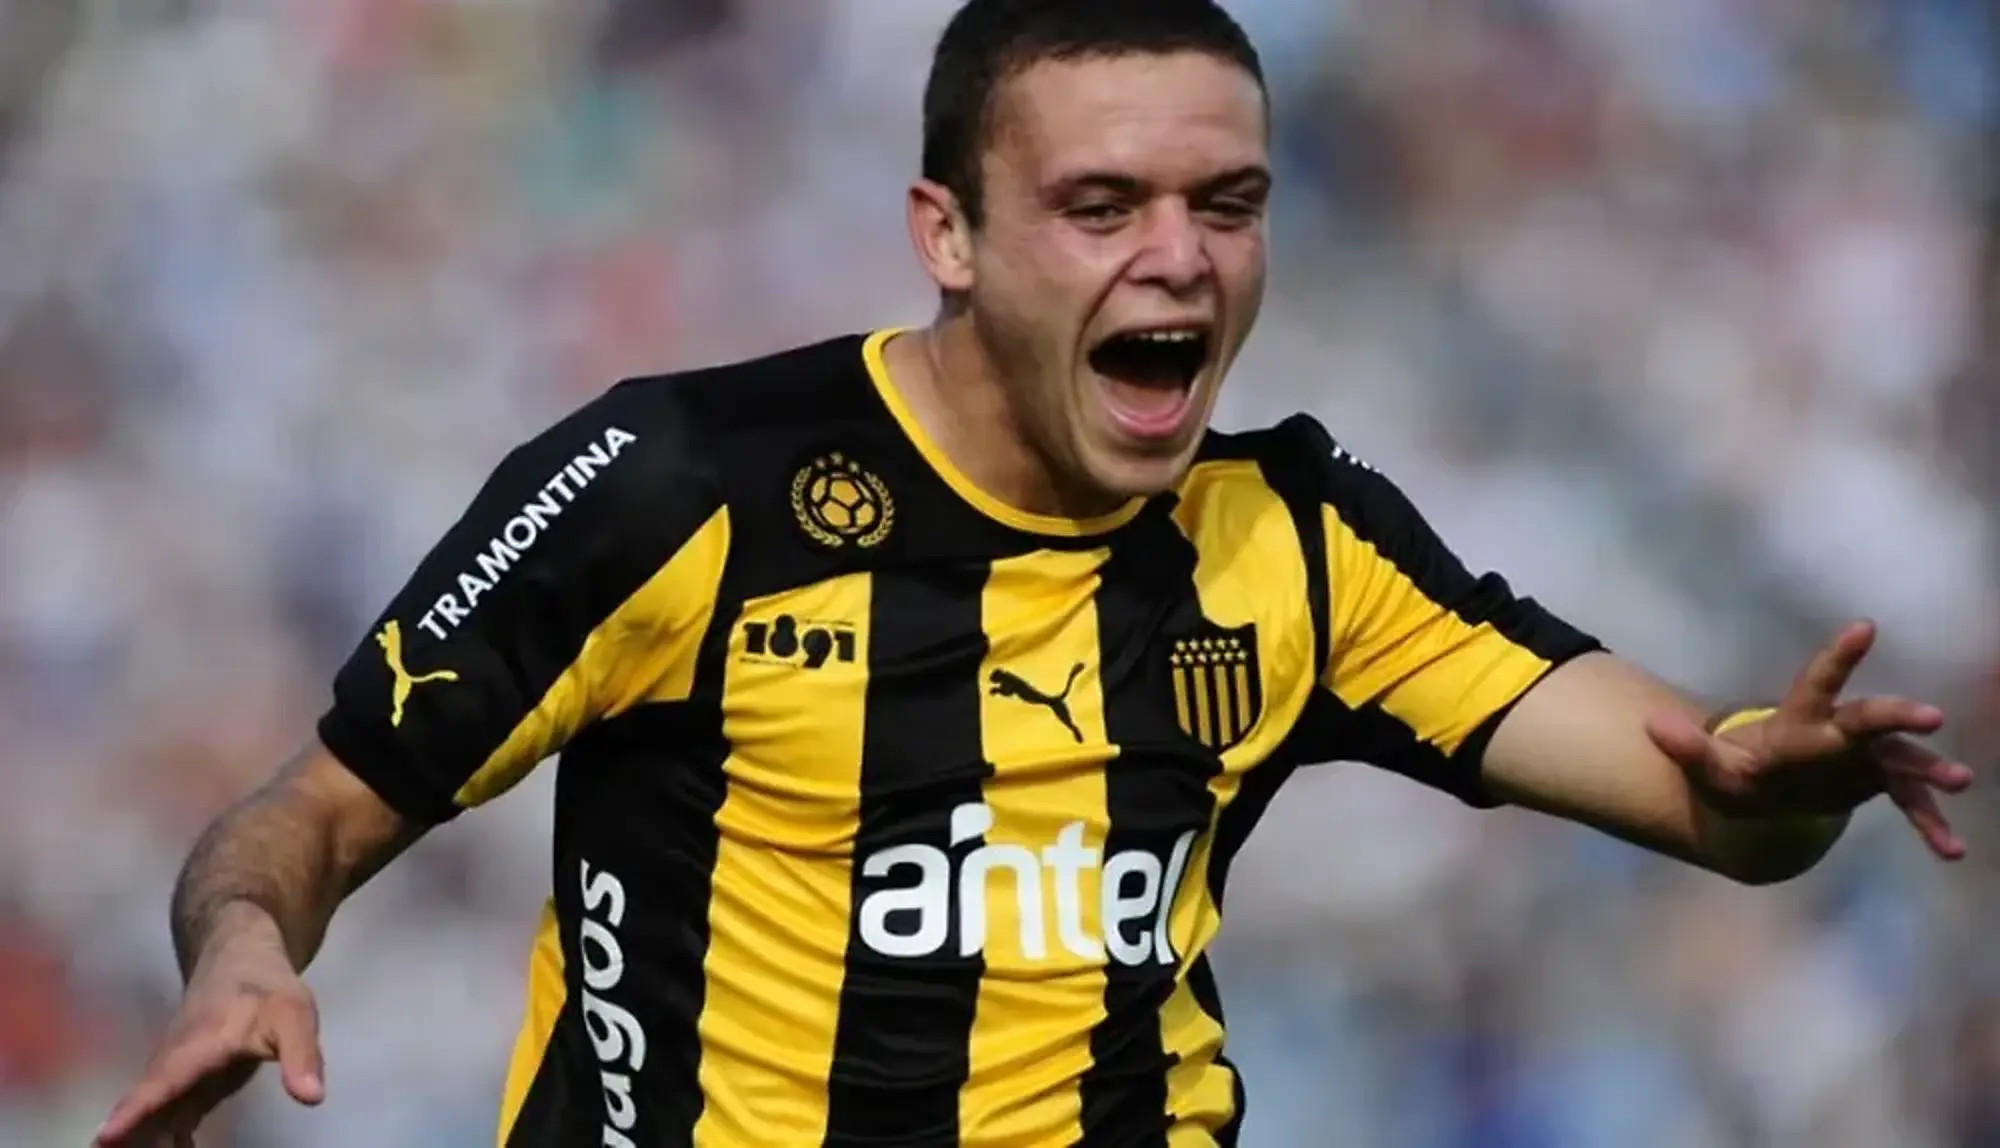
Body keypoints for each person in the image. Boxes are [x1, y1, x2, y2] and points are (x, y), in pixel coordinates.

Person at [94, 1, 1974, 1145]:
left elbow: (1712, 800)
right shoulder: (683, 485)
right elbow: (309, 816)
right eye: (1100, 206)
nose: (1180, 259)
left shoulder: (1295, 537)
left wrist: (1780, 785)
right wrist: (244, 950)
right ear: (950, 236)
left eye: (1226, 205)